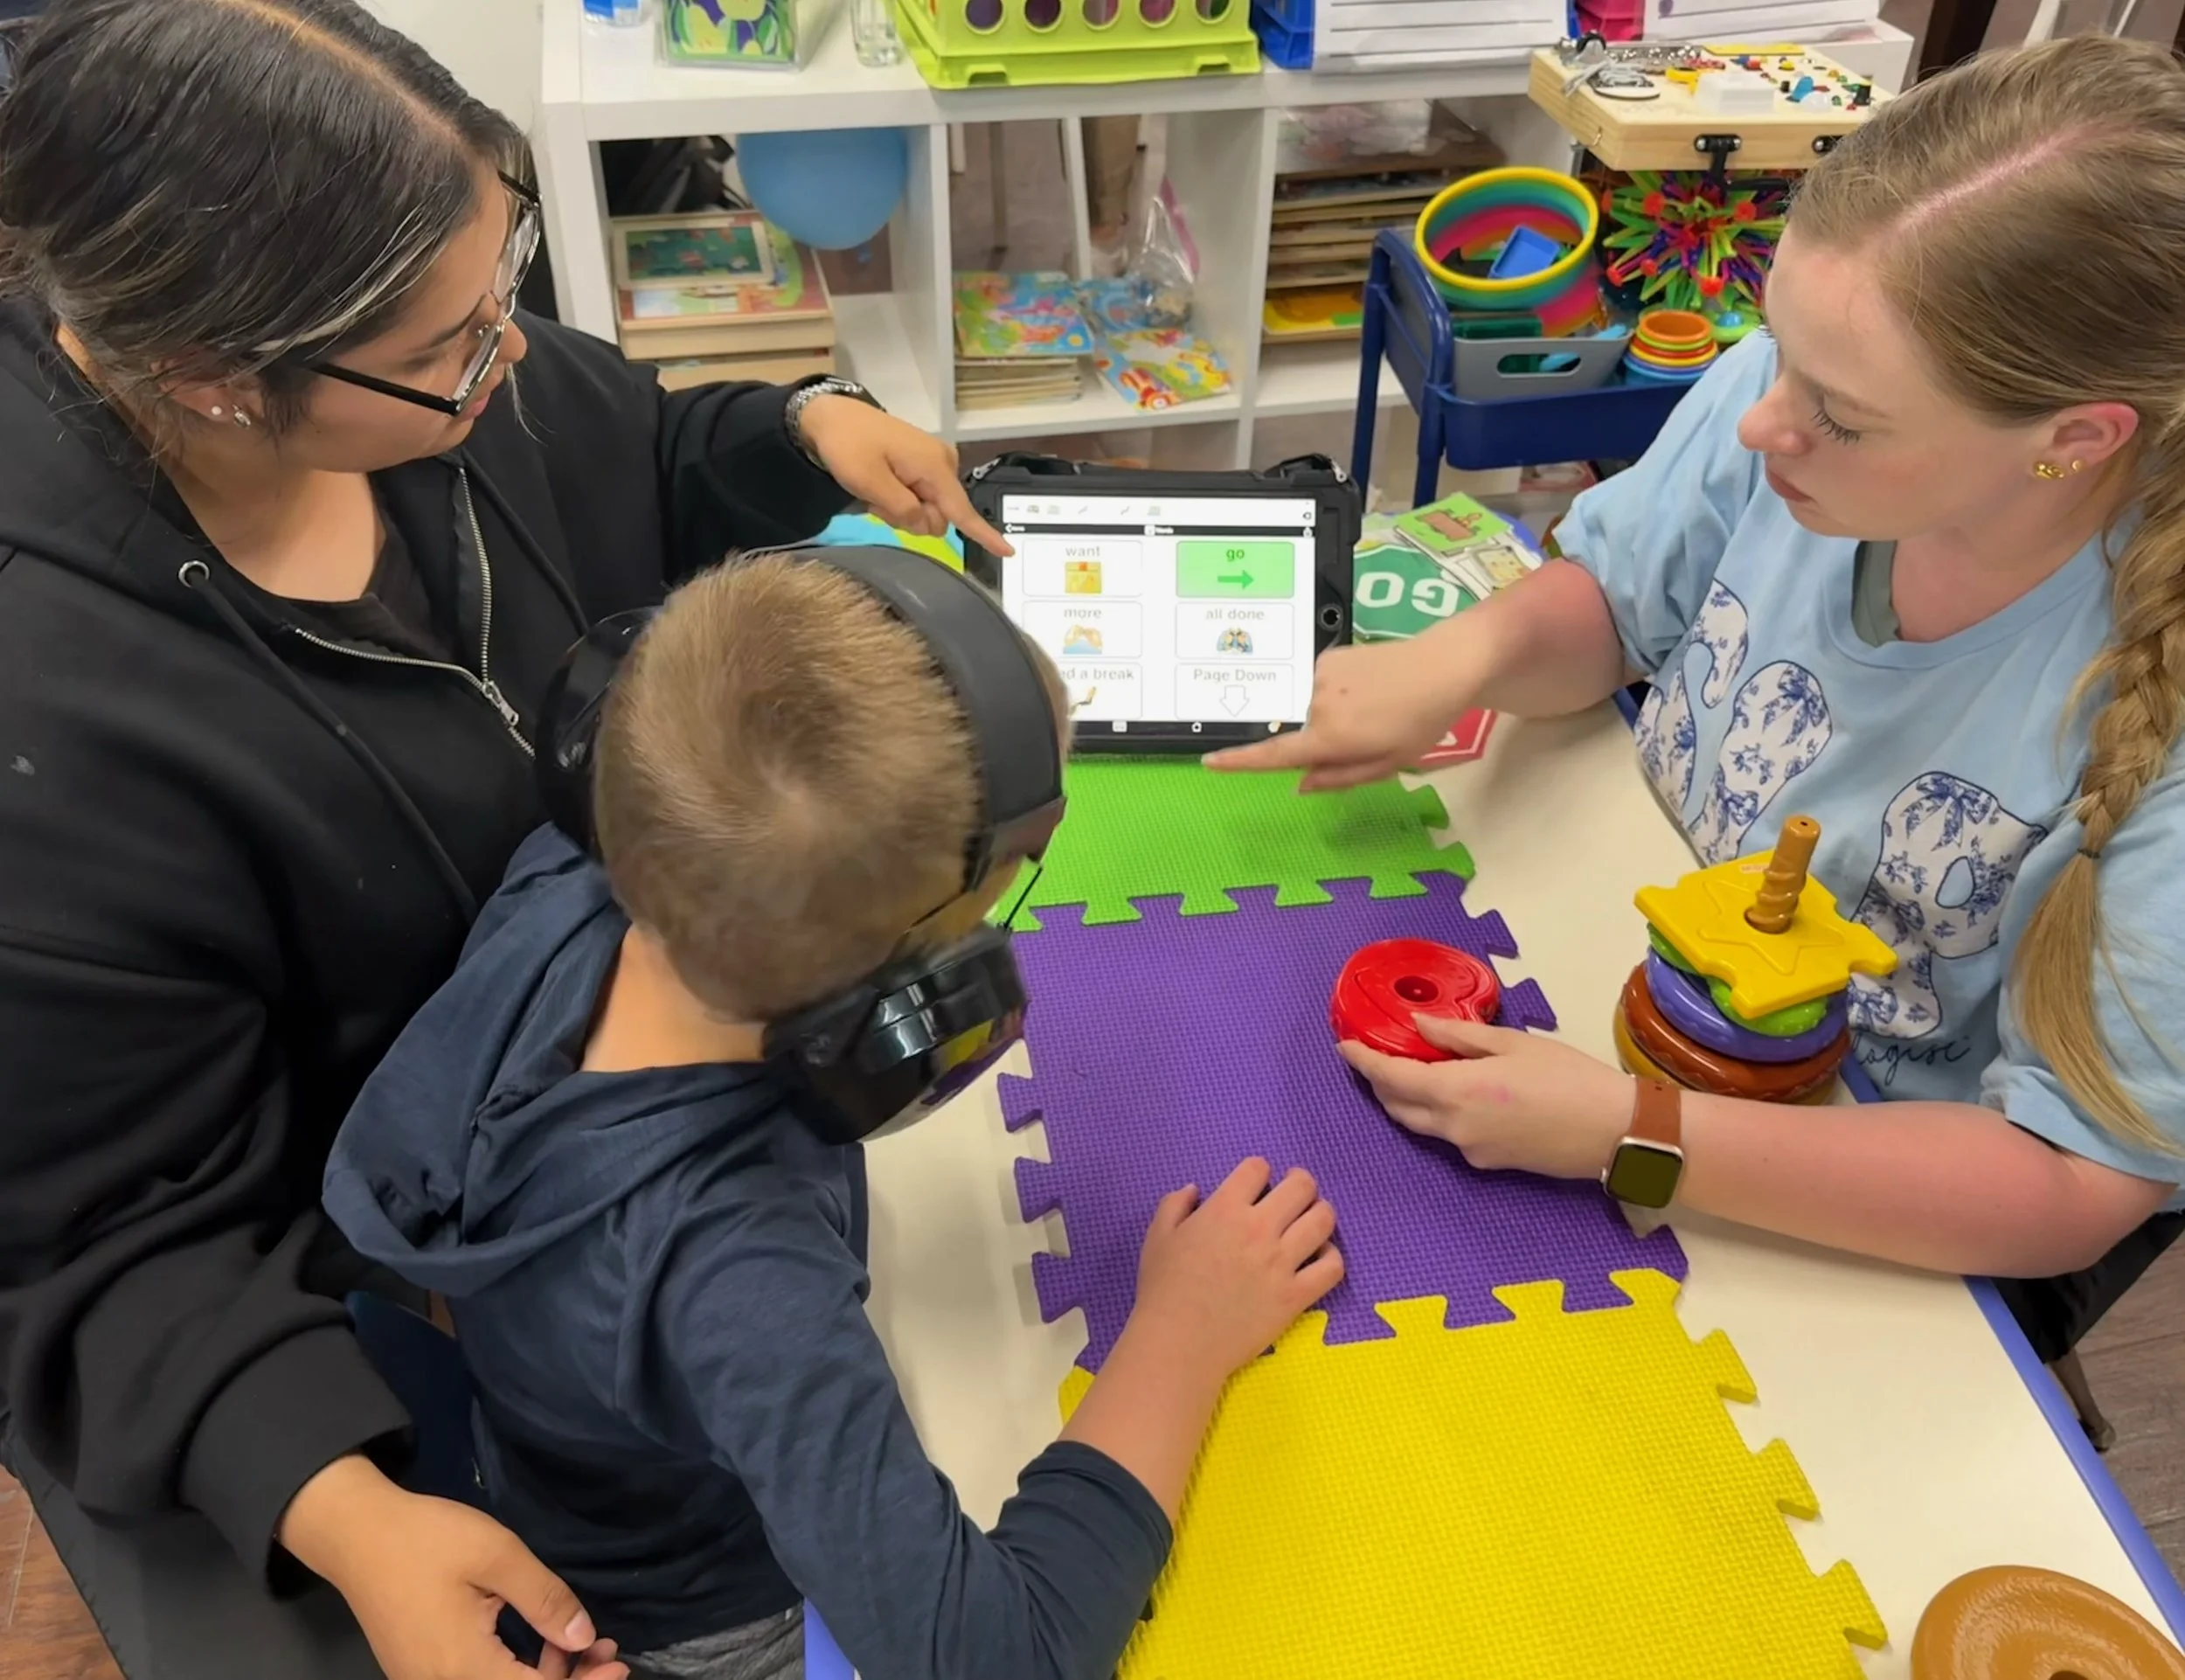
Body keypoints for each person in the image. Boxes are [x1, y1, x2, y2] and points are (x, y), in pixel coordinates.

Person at [0, 3, 1016, 1677]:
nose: (511, 357)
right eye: (457, 345)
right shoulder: (57, 719)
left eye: (508, 282)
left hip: (633, 1096)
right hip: (404, 1280)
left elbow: (636, 442)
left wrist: (794, 433)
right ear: (214, 378)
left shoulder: (441, 371)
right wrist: (349, 1510)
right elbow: (101, 1236)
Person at [1213, 37, 2185, 1351]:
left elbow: (2073, 1182)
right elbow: (1617, 608)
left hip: (1828, 1210)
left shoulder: (2145, 699)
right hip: (1598, 989)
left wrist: (1636, 1134)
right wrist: (1471, 654)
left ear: (2075, 441)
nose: (1758, 421)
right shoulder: (1796, 399)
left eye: (1840, 415)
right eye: (1772, 348)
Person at [322, 552, 1345, 1680]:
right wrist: (1181, 1334)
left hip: (569, 1438)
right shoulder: (738, 1280)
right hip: (696, 1606)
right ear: (922, 992)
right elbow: (997, 1658)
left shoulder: (565, 876)